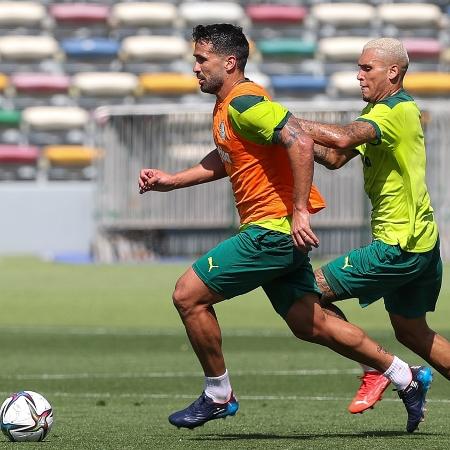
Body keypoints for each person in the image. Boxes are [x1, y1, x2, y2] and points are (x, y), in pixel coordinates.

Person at [138, 25, 432, 433]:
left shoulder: (245, 102)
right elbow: (228, 156)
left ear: (229, 62)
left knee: (188, 296)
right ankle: (404, 376)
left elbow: (298, 139)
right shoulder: (229, 108)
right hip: (277, 231)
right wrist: (173, 180)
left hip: (272, 231)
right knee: (309, 322)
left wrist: (299, 212)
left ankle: (218, 394)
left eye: (201, 59)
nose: (195, 68)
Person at [297, 37, 449, 415]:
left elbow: (344, 136)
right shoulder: (382, 113)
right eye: (359, 68)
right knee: (411, 330)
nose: (359, 75)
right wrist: (286, 136)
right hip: (422, 244)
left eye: (367, 68)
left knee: (307, 292)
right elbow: (334, 156)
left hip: (396, 246)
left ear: (393, 72)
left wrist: (279, 119)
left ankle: (378, 369)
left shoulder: (391, 112)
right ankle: (390, 370)